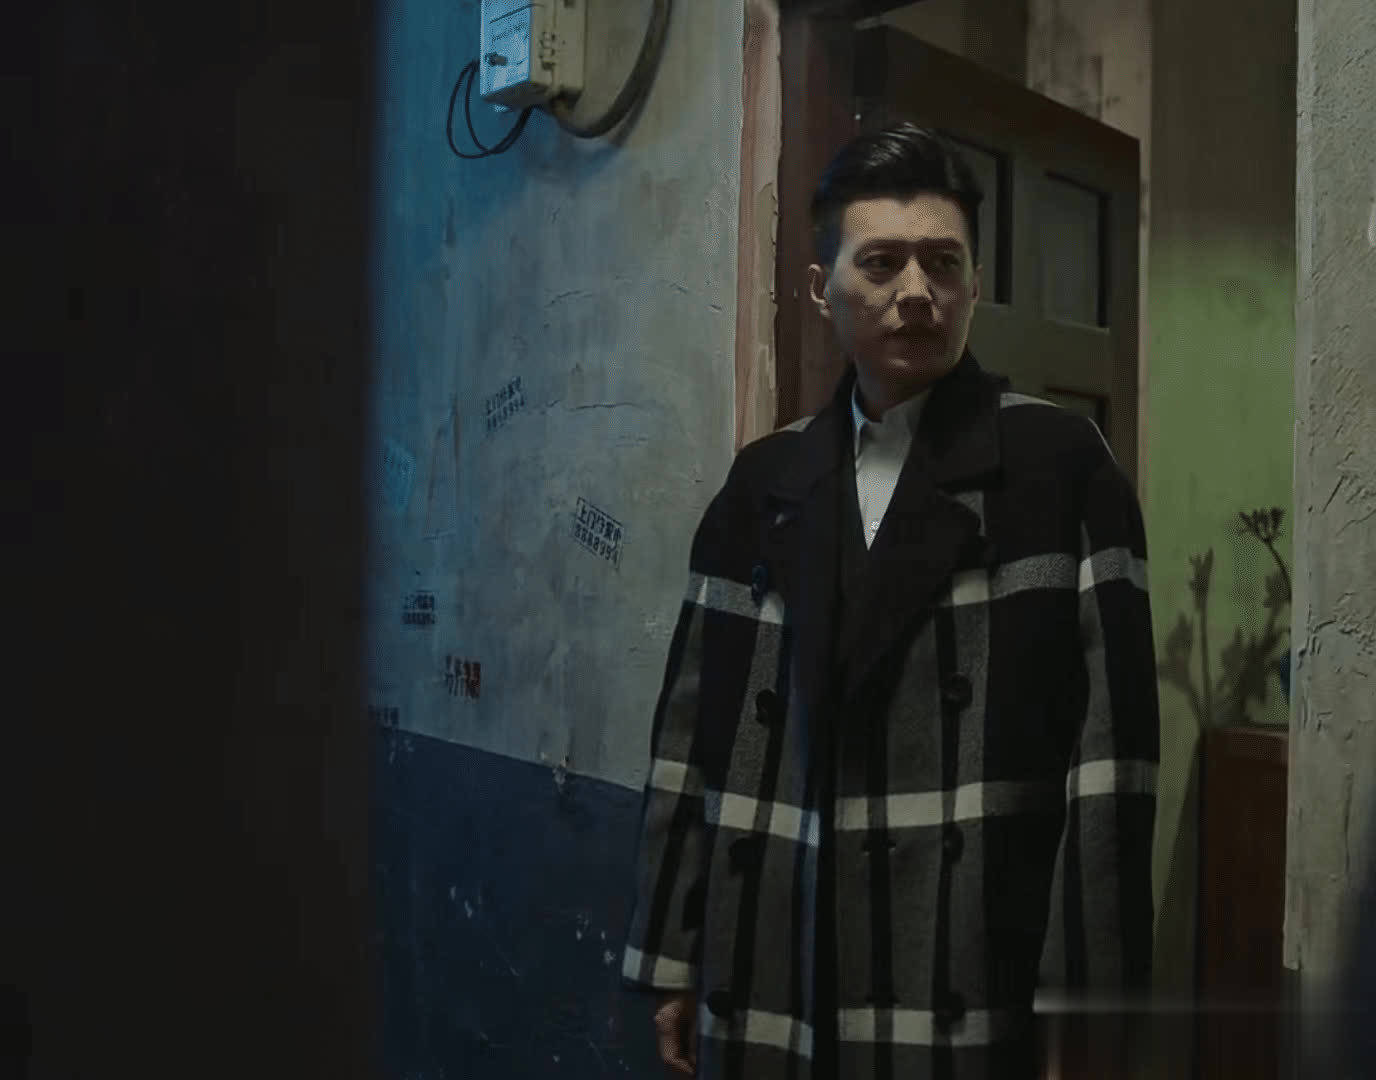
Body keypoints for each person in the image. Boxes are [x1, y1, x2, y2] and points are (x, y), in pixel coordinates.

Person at [620, 122, 1159, 1079]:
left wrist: (1090, 1009)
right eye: (882, 262)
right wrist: (675, 954)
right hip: (781, 943)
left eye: (943, 263)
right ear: (822, 287)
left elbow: (1111, 765)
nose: (917, 291)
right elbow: (689, 735)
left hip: (965, 954)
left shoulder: (1060, 467)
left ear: (974, 286)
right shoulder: (766, 480)